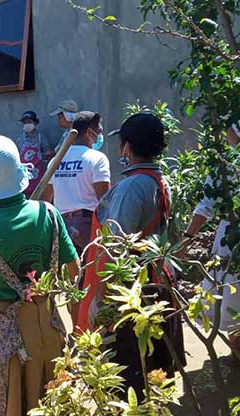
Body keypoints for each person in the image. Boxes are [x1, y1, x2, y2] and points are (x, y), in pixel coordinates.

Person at [0, 135, 80, 416]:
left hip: (4, 338)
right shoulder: (48, 214)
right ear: (18, 175)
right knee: (52, 401)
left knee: (7, 405)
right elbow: (75, 270)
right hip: (48, 327)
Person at [75, 113, 185, 395]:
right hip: (156, 283)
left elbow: (115, 247)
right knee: (155, 374)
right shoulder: (158, 180)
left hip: (130, 292)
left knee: (126, 380)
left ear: (127, 148)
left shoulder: (131, 187)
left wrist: (100, 300)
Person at [184, 124, 240, 361]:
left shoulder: (224, 164)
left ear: (237, 130)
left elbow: (206, 207)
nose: (226, 134)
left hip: (233, 235)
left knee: (233, 292)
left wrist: (187, 238)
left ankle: (237, 355)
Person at [42, 111, 110, 255]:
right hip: (88, 227)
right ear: (89, 132)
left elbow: (45, 201)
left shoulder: (56, 161)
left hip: (61, 228)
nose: (100, 136)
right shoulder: (97, 158)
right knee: (90, 274)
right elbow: (105, 202)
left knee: (67, 275)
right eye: (99, 131)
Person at [14, 111, 53, 198]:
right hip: (25, 176)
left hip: (39, 176)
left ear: (35, 123)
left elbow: (48, 154)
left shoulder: (41, 138)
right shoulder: (19, 140)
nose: (27, 124)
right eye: (25, 123)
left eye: (29, 122)